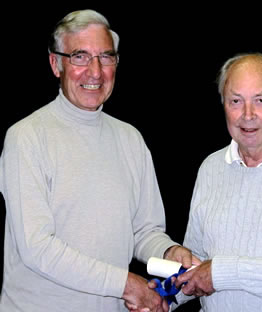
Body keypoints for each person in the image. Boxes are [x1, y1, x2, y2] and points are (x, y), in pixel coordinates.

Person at [0, 9, 199, 312]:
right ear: (56, 64)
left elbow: (143, 232)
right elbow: (37, 248)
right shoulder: (26, 137)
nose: (95, 71)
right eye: (79, 56)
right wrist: (126, 284)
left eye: (106, 57)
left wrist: (169, 251)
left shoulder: (129, 138)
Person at [172, 53, 262, 311]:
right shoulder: (211, 168)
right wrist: (164, 297)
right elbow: (198, 264)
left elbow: (213, 272)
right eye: (235, 101)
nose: (248, 114)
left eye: (261, 100)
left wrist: (221, 273)